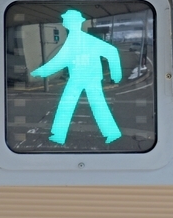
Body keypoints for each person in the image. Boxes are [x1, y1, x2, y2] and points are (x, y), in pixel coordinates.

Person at [30, 9, 122, 145]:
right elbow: (60, 61)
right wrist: (41, 72)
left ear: (71, 23)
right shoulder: (75, 40)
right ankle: (60, 134)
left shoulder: (82, 40)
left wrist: (116, 74)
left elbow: (111, 51)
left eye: (67, 20)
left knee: (73, 104)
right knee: (92, 105)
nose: (65, 22)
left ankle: (59, 134)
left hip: (85, 78)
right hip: (83, 78)